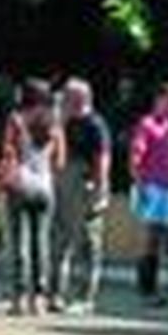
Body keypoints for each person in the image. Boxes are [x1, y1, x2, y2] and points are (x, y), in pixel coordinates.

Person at [0, 78, 65, 317]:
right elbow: (60, 161)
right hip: (45, 187)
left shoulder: (16, 120)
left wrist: (5, 178)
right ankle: (39, 299)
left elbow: (8, 153)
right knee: (41, 243)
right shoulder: (54, 124)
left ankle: (18, 299)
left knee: (19, 244)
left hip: (20, 185)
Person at [50, 78, 111, 315]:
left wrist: (100, 190)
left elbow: (102, 159)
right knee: (59, 240)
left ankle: (85, 298)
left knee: (88, 242)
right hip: (64, 185)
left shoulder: (95, 124)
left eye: (66, 97)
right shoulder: (64, 123)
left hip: (85, 184)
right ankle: (56, 294)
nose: (62, 100)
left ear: (79, 99)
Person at [129, 82, 168, 307]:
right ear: (159, 100)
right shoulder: (147, 124)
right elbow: (135, 157)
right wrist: (140, 185)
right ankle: (146, 289)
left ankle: (154, 287)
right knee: (150, 238)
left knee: (160, 239)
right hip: (151, 186)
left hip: (167, 187)